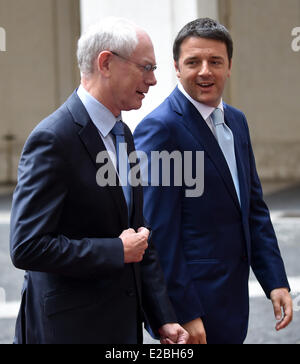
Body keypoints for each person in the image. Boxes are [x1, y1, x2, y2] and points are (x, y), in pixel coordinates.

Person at [10, 17, 188, 345]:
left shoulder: (125, 135)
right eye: (146, 67)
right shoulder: (53, 139)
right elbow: (27, 247)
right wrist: (115, 250)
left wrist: (163, 318)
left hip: (120, 328)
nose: (152, 80)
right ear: (106, 63)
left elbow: (139, 236)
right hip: (69, 330)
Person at [134, 18, 293, 344]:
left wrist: (275, 279)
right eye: (193, 62)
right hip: (194, 309)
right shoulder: (161, 130)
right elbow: (159, 234)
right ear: (177, 67)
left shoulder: (236, 121)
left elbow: (253, 209)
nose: (205, 71)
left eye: (215, 62)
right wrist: (183, 312)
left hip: (231, 301)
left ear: (229, 66)